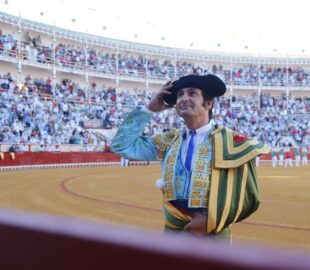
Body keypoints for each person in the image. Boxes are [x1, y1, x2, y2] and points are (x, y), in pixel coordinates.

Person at [111, 74, 270, 241]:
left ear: (208, 103)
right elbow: (121, 145)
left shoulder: (232, 142)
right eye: (180, 94)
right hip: (173, 232)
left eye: (192, 93)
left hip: (212, 234)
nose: (184, 99)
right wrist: (149, 109)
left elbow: (248, 198)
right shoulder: (168, 141)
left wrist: (210, 221)